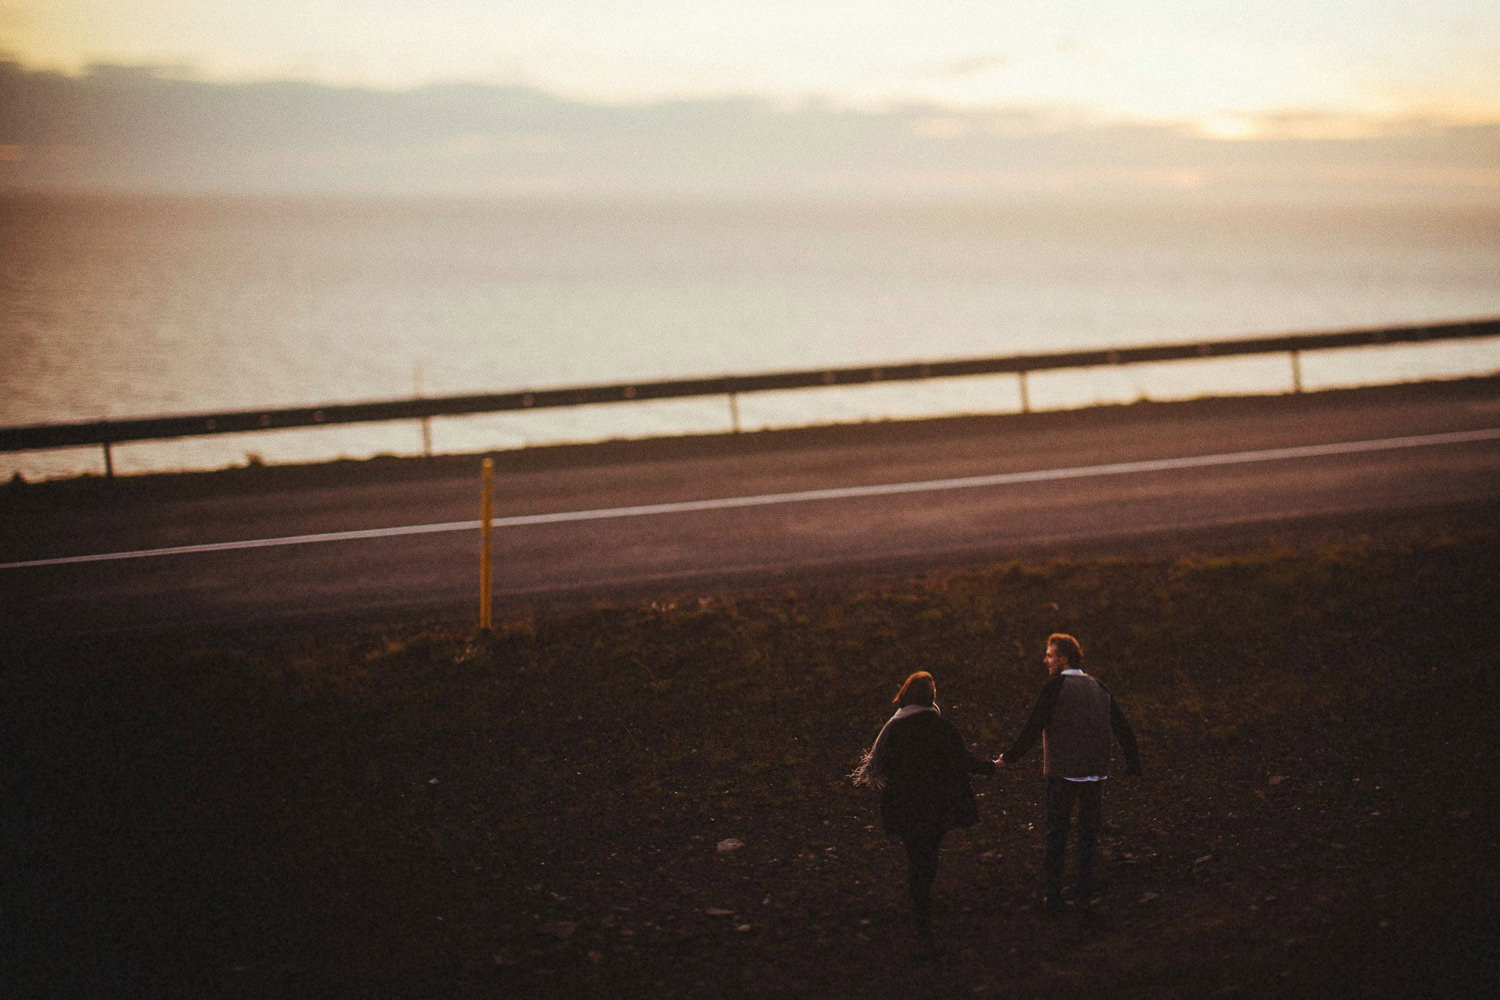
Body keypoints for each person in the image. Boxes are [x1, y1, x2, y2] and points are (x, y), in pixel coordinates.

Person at [996, 633, 1141, 910]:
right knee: (1088, 835)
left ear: (1062, 658)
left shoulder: (1056, 687)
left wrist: (1008, 759)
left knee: (1057, 834)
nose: (1045, 660)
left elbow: (1033, 726)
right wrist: (1133, 764)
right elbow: (1123, 727)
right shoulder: (1099, 687)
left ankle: (1054, 897)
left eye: (1049, 655)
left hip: (1062, 773)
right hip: (1095, 775)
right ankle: (1084, 894)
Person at [852, 670, 995, 944]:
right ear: (930, 697)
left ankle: (920, 908)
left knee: (915, 854)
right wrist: (992, 767)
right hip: (936, 807)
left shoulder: (894, 728)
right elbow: (963, 760)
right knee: (928, 855)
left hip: (904, 807)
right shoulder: (942, 727)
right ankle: (923, 905)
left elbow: (884, 766)